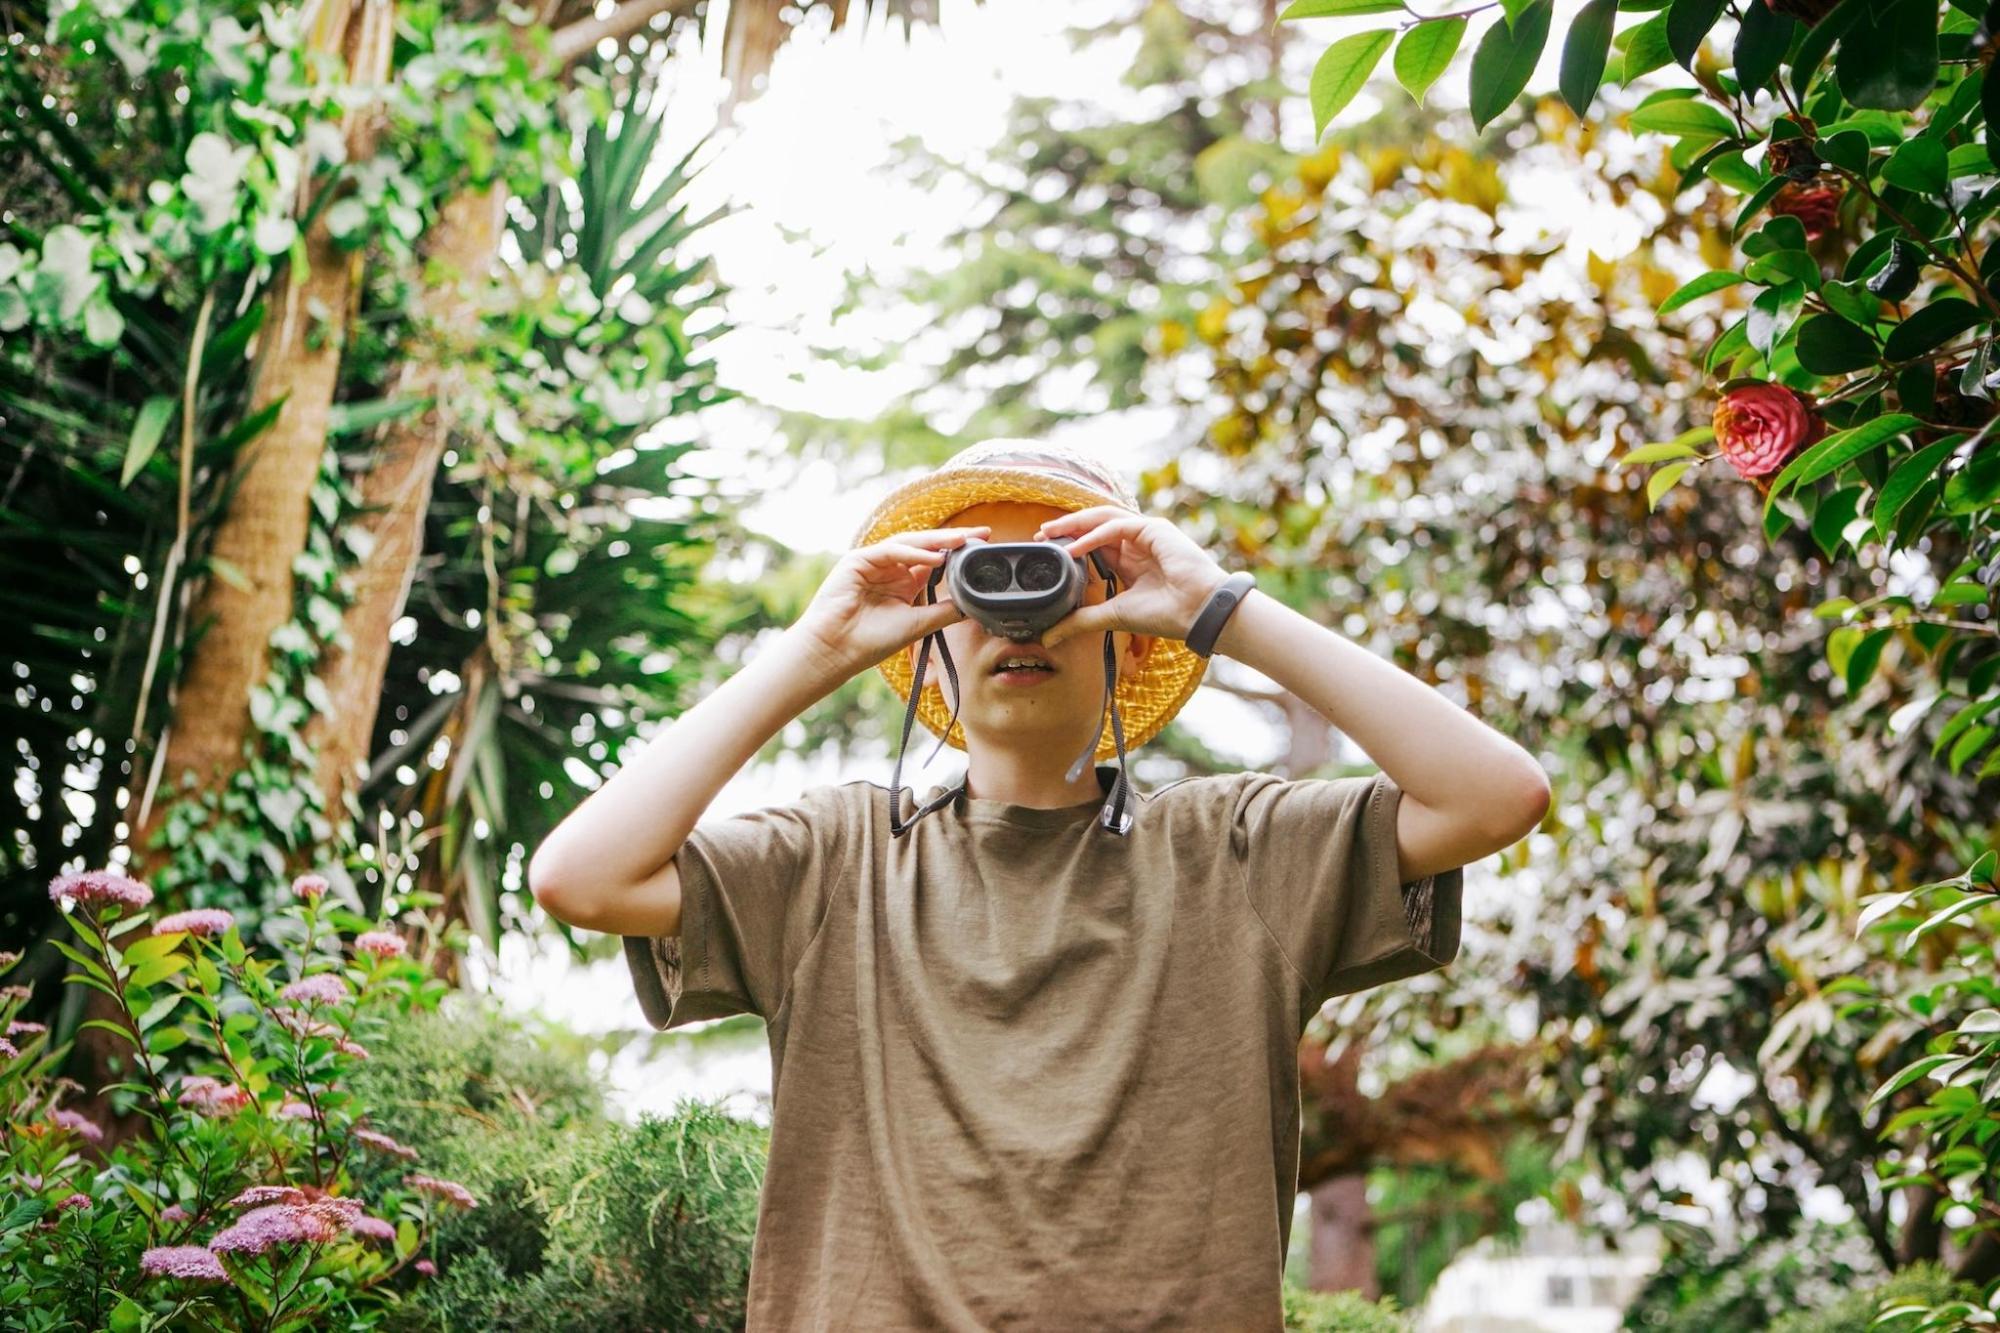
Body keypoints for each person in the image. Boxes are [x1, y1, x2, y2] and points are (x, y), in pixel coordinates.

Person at [528, 438, 1551, 1330]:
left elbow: (1495, 795)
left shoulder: (1234, 853)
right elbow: (580, 875)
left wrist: (1217, 608)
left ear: (1133, 633)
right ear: (928, 650)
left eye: (1063, 568)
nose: (1019, 605)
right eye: (975, 577)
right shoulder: (832, 860)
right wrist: (816, 649)